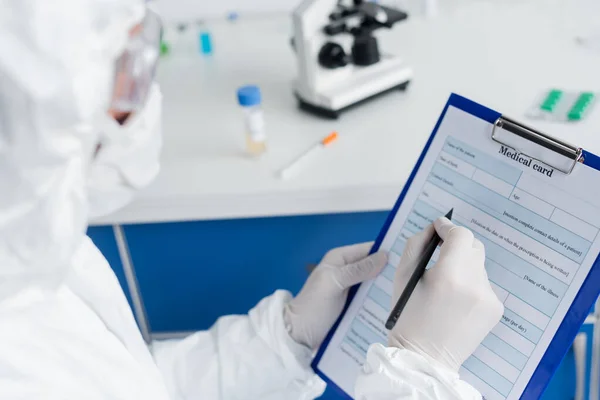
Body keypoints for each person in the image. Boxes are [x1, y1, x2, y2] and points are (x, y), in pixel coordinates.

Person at [0, 0, 503, 399]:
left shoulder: (26, 259)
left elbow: (131, 386)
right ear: (37, 126)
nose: (147, 91)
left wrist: (284, 342)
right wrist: (419, 379)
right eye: (128, 67)